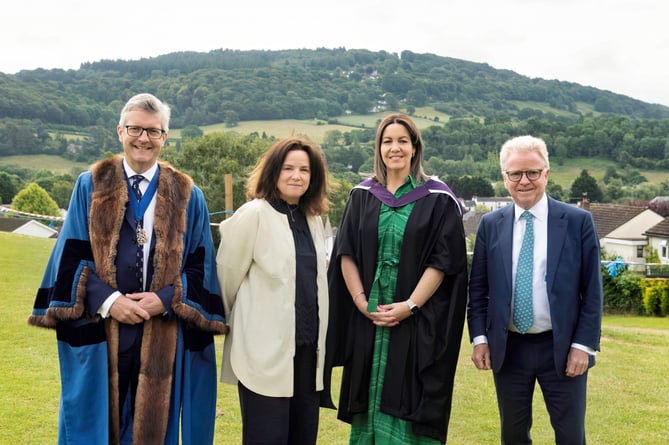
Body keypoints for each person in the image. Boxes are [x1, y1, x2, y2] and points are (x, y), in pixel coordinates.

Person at [29, 93, 227, 444]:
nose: (143, 139)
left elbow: (201, 265)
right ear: (120, 131)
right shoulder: (90, 184)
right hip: (102, 327)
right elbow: (71, 254)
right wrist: (109, 301)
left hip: (163, 332)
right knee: (100, 425)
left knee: (154, 425)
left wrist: (165, 299)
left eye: (154, 131)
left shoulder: (186, 194)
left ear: (165, 137)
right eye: (135, 129)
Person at [324, 113, 469, 444]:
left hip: (415, 320)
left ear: (415, 147)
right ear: (379, 147)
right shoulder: (363, 194)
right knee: (368, 392)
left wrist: (410, 305)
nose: (395, 148)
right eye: (387, 141)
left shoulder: (438, 198)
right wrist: (361, 302)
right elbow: (346, 253)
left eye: (403, 140)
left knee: (409, 394)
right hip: (370, 318)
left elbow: (442, 262)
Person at [467, 135, 603, 444]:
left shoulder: (577, 222)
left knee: (570, 435)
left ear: (547, 174)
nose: (524, 180)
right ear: (505, 178)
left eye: (533, 172)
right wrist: (480, 339)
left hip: (563, 348)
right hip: (509, 349)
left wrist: (583, 346)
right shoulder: (490, 225)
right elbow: (478, 290)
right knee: (513, 435)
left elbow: (592, 292)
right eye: (515, 173)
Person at [216, 137, 331, 445]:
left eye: (304, 169)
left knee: (303, 438)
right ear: (272, 172)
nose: (297, 176)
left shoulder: (315, 220)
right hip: (264, 356)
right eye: (288, 168)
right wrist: (232, 326)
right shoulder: (253, 214)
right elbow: (227, 279)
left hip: (308, 356)